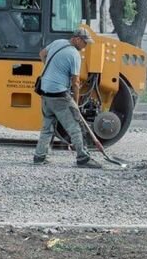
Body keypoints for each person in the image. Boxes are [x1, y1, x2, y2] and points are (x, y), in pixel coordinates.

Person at [32, 28, 101, 168]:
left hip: (45, 92)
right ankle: (83, 157)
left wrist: (52, 70)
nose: (85, 46)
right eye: (84, 42)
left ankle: (39, 156)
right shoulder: (74, 55)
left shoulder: (58, 43)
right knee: (76, 126)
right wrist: (75, 104)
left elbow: (42, 54)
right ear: (76, 39)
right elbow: (75, 83)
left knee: (47, 126)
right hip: (59, 95)